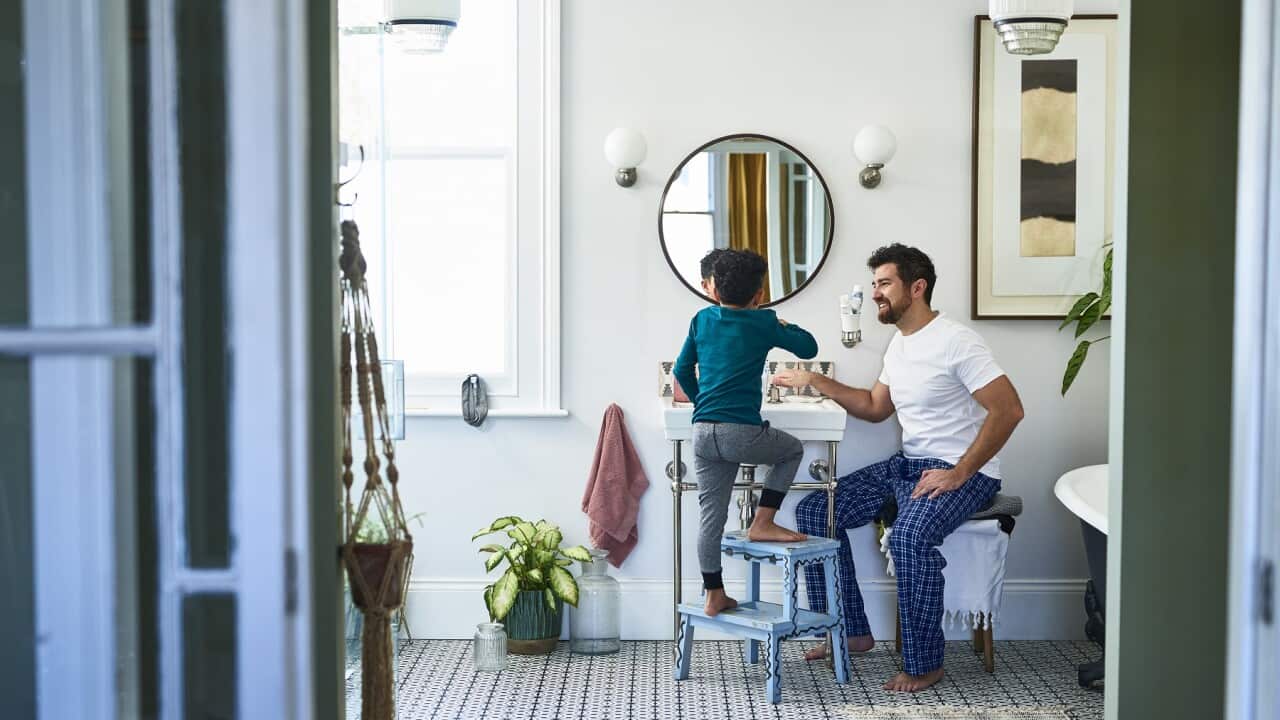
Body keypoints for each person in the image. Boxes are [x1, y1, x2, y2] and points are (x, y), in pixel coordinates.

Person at [771, 243, 1025, 692]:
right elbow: (873, 407)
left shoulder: (957, 341)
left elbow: (1008, 410)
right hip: (908, 465)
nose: (875, 294)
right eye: (874, 285)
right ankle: (851, 631)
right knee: (815, 512)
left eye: (884, 283)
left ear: (917, 287)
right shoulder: (901, 344)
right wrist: (816, 380)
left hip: (963, 472)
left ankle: (926, 663)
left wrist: (960, 472)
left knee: (908, 537)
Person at [673, 249, 819, 617]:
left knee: (711, 515)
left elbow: (681, 369)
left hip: (703, 433)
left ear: (715, 290)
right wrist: (773, 320)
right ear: (759, 293)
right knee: (791, 450)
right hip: (741, 431)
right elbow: (809, 345)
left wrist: (701, 403)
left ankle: (714, 593)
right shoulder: (764, 321)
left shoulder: (702, 319)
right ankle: (763, 522)